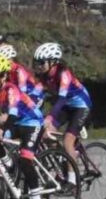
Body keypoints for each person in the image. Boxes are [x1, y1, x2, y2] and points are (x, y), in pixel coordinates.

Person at [0, 54, 50, 199]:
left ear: (3, 76)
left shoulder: (11, 89)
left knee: (25, 159)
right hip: (19, 123)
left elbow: (12, 114)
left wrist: (3, 129)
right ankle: (11, 167)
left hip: (32, 123)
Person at [33, 42, 92, 185]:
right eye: (37, 63)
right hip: (67, 107)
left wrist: (49, 117)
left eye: (42, 63)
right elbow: (34, 95)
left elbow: (61, 99)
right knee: (46, 134)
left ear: (53, 62)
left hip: (81, 106)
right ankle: (62, 157)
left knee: (67, 141)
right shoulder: (45, 76)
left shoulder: (64, 74)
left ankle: (73, 180)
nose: (39, 66)